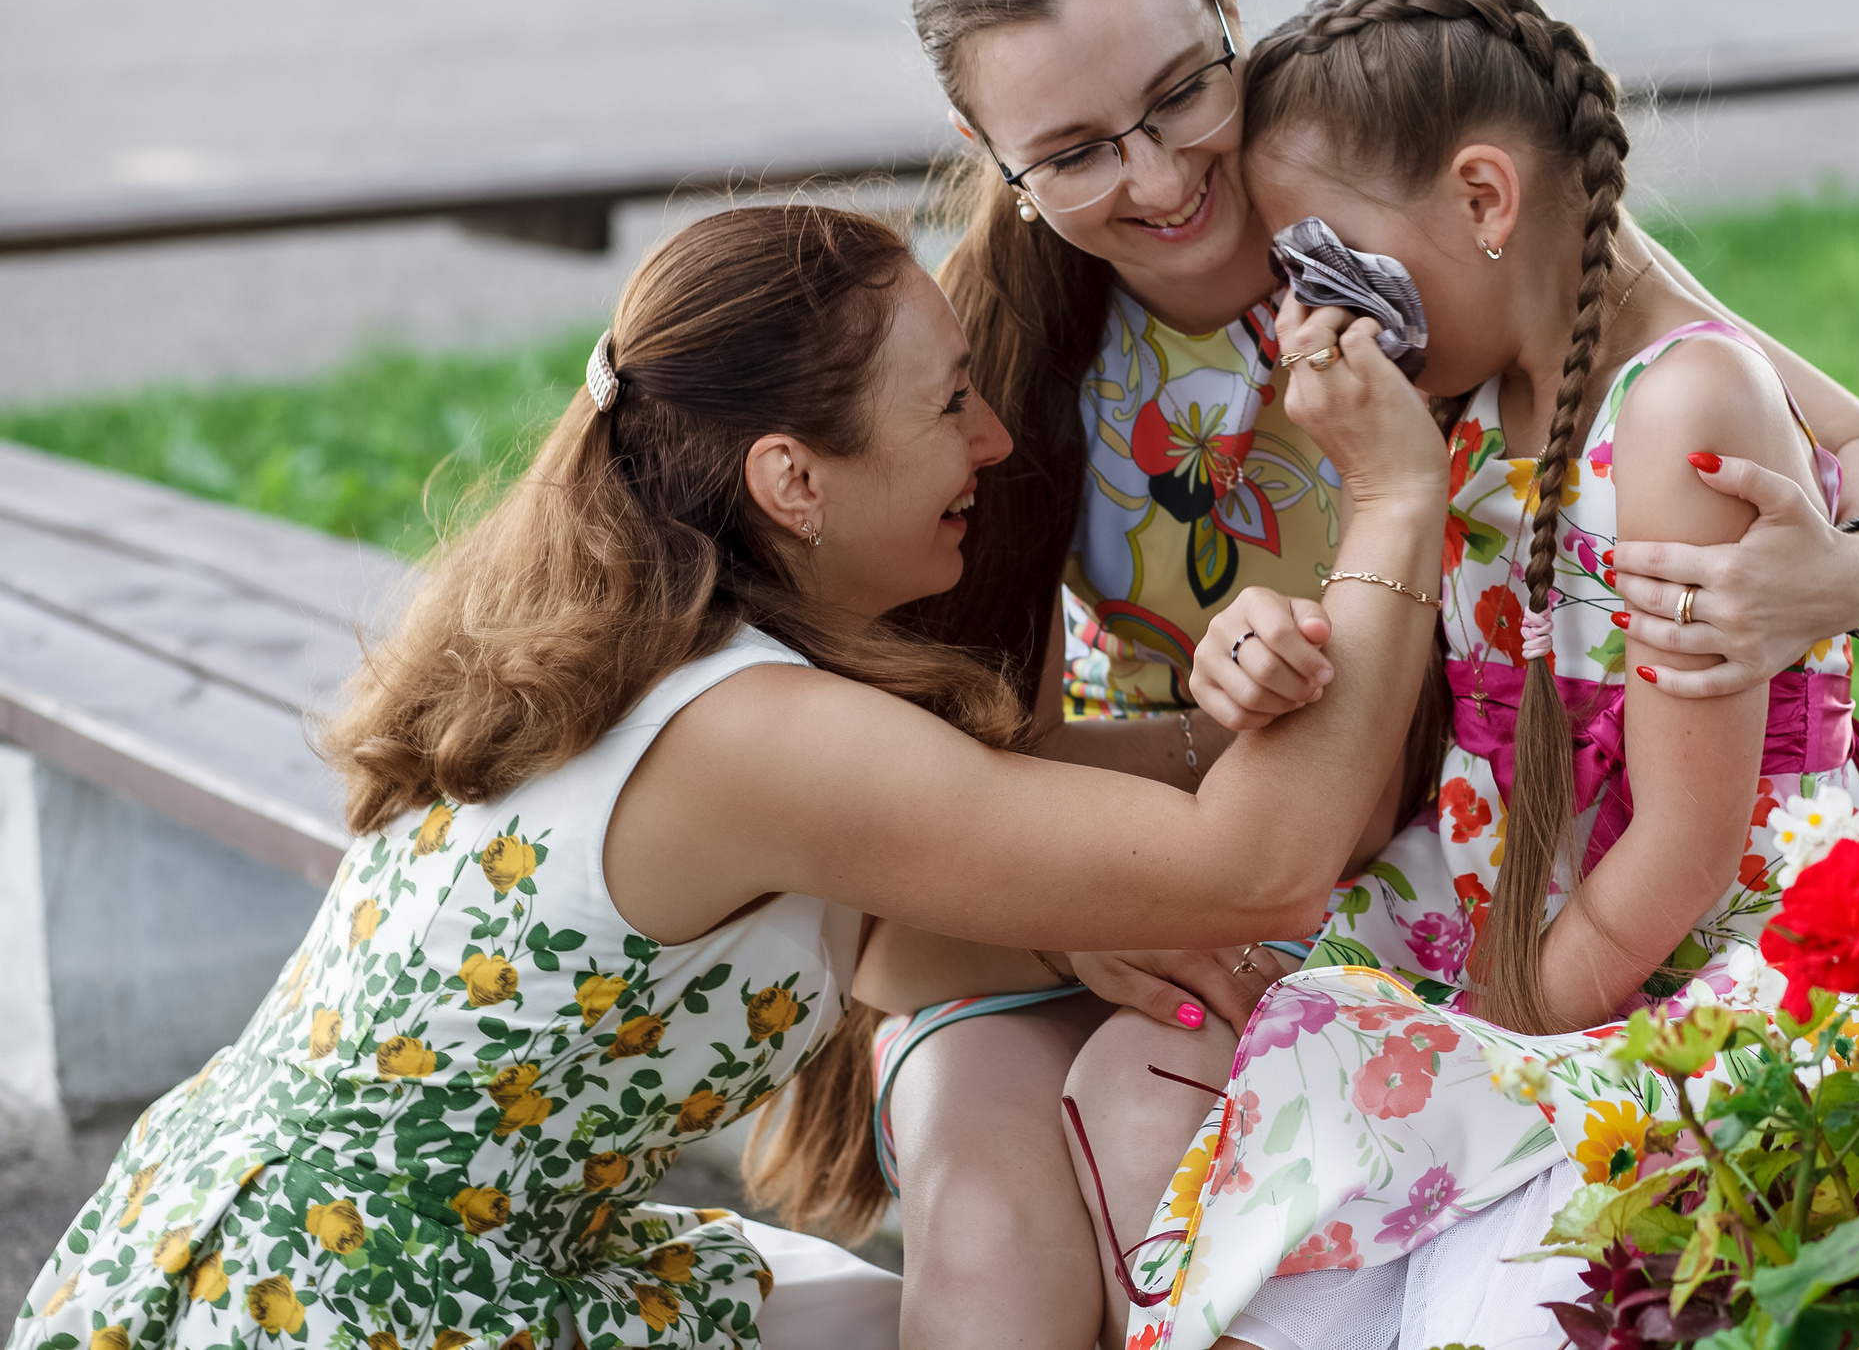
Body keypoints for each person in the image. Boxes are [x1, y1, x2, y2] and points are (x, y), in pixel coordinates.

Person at [5, 202, 1449, 1350]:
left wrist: (1226, 718)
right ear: (792, 482)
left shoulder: (642, 629)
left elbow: (888, 916)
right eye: (950, 405)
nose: (995, 443)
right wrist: (1391, 498)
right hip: (370, 1312)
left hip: (262, 1258)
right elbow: (1260, 868)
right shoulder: (756, 732)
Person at [867, 0, 1859, 1350]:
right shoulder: (1008, 348)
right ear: (988, 151)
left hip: (1476, 869)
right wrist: (1077, 920)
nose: (1162, 177)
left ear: (1230, 9)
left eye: (1184, 92)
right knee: (1000, 1233)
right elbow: (884, 765)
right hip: (1182, 871)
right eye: (1071, 153)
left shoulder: (1431, 222)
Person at [1097, 0, 1859, 1350]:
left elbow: (1685, 847)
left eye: (1327, 263)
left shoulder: (1680, 406)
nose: (1312, 318)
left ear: (1484, 199)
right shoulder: (1472, 397)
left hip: (1667, 958)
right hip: (1523, 921)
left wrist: (1487, 1037)